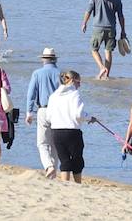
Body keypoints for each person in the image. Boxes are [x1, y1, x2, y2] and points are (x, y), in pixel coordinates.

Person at [46, 70, 96, 183]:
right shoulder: (74, 94)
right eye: (79, 82)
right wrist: (89, 118)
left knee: (64, 161)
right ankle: (77, 184)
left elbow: (48, 117)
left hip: (56, 132)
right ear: (73, 81)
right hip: (72, 132)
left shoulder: (53, 95)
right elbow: (78, 114)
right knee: (77, 161)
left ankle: (66, 186)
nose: (79, 85)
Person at [25, 47, 62, 177]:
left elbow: (31, 94)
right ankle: (53, 171)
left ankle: (48, 166)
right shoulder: (61, 73)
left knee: (42, 142)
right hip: (58, 110)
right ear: (55, 59)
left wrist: (29, 112)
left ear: (43, 60)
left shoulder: (37, 73)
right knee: (55, 143)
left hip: (43, 109)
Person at [82, 0, 125, 79]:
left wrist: (84, 22)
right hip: (111, 28)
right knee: (108, 51)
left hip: (98, 27)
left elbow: (89, 10)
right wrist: (123, 30)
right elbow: (120, 15)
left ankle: (101, 67)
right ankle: (106, 76)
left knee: (94, 49)